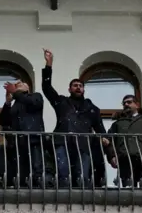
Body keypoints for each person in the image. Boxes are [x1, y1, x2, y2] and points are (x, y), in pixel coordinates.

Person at [41, 48, 107, 188]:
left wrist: (108, 146)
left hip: (84, 144)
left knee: (82, 176)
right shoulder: (62, 102)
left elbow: (100, 128)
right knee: (63, 173)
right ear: (69, 89)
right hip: (62, 142)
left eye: (80, 86)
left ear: (84, 89)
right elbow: (47, 88)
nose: (78, 88)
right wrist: (49, 65)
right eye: (75, 86)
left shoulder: (92, 108)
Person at [107, 94, 142, 188]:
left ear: (137, 105)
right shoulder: (118, 123)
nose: (126, 104)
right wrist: (112, 156)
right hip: (125, 159)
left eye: (129, 102)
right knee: (128, 191)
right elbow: (109, 140)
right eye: (124, 103)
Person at [0, 81, 45, 188]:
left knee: (36, 164)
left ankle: (37, 185)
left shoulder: (35, 96)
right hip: (18, 141)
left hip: (33, 138)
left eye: (20, 84)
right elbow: (4, 121)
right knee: (21, 166)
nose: (17, 86)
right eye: (16, 85)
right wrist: (7, 103)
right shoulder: (16, 104)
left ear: (28, 88)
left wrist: (15, 92)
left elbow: (34, 103)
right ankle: (22, 184)